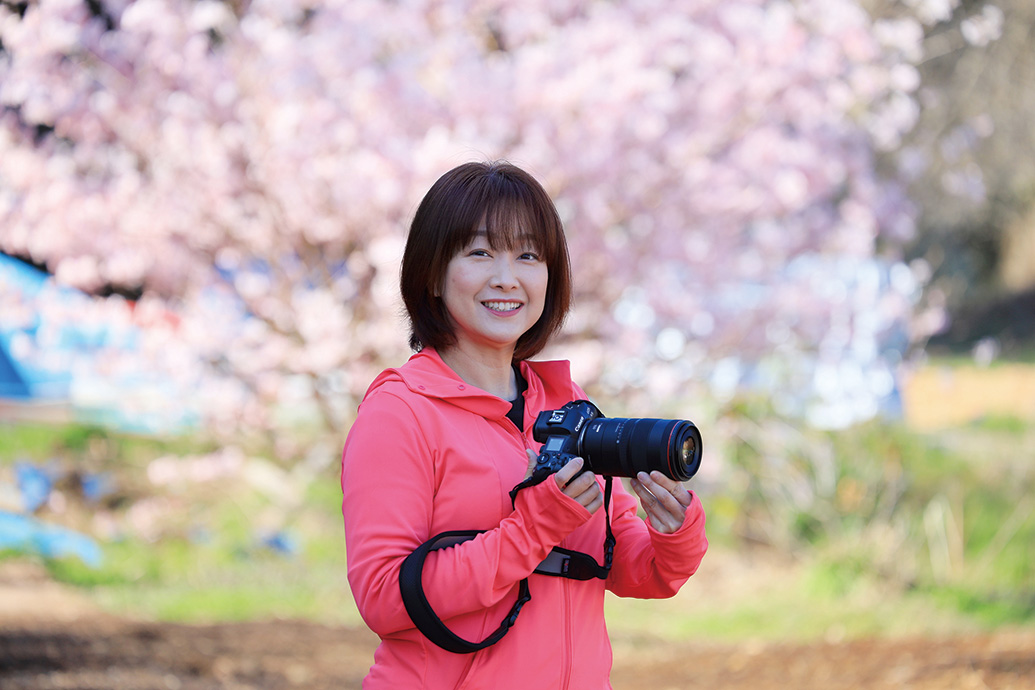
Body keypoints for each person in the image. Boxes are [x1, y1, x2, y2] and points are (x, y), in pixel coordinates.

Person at [340, 160, 707, 689]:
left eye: (528, 255)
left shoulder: (566, 404)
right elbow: (383, 597)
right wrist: (533, 528)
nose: (506, 278)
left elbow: (629, 565)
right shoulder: (401, 411)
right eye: (480, 252)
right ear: (432, 274)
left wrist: (672, 531)